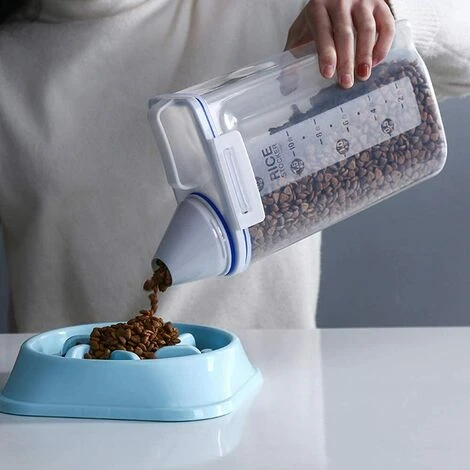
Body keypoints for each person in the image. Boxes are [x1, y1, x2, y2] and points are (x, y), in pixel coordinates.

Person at [0, 0, 469, 333]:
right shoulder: (12, 68)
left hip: (273, 415)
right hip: (68, 420)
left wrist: (384, 10)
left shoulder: (267, 10)